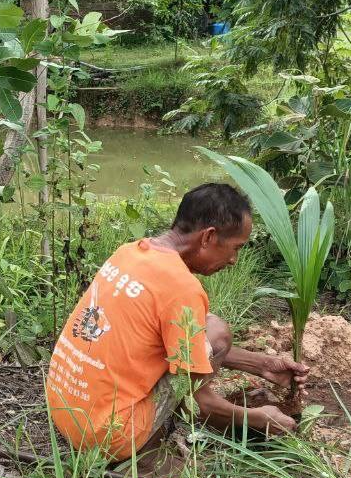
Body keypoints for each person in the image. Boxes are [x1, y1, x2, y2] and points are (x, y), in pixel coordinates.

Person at [46, 182, 310, 461]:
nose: (234, 260)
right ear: (208, 237)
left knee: (205, 330)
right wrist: (258, 418)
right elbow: (203, 403)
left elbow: (179, 343)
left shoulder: (129, 253)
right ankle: (151, 451)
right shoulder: (181, 288)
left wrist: (263, 365)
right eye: (236, 248)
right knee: (216, 331)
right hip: (109, 436)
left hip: (67, 412)